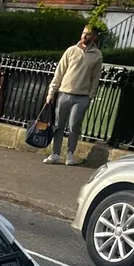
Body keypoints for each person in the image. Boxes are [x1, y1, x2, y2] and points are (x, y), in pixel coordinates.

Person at [43, 25, 103, 166]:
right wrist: (52, 91)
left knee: (74, 125)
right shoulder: (71, 51)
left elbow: (96, 77)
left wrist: (91, 95)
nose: (84, 36)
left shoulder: (97, 55)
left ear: (94, 37)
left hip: (82, 96)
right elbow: (59, 72)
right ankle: (55, 153)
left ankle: (70, 154)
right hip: (64, 92)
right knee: (59, 124)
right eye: (83, 33)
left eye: (88, 34)